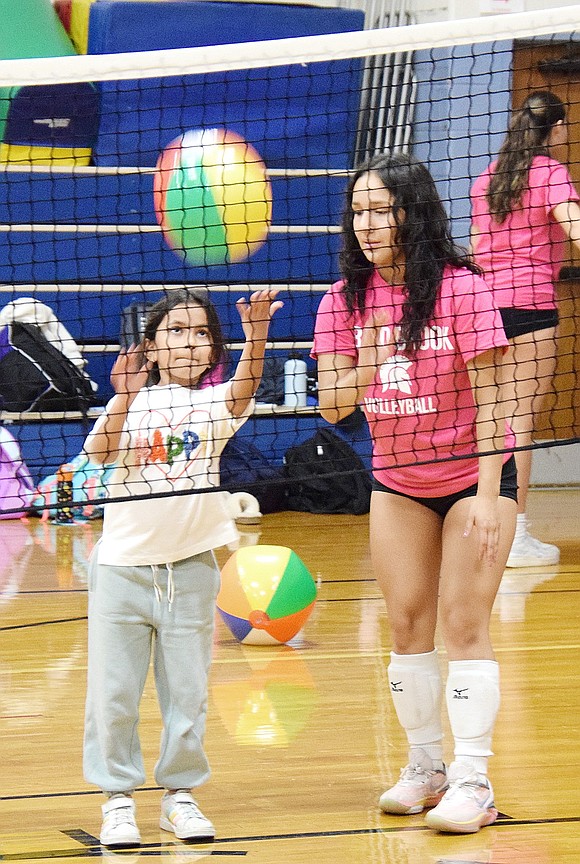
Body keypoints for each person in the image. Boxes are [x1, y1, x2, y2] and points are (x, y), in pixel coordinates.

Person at [312, 152, 518, 834]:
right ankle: (426, 766)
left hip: (471, 476)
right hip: (399, 480)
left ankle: (474, 781)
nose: (367, 224)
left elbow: (496, 401)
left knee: (463, 622)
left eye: (382, 209)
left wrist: (489, 497)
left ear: (413, 212)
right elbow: (333, 408)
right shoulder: (343, 300)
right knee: (406, 623)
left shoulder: (462, 291)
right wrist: (366, 358)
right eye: (359, 211)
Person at [83, 286, 282, 848]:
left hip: (191, 572)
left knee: (188, 695)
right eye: (176, 331)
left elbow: (244, 390)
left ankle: (180, 798)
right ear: (150, 344)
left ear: (214, 349)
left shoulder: (213, 404)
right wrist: (123, 396)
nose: (190, 343)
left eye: (201, 334)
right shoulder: (132, 402)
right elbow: (99, 454)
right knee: (114, 695)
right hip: (121, 573)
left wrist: (259, 334)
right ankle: (117, 799)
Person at [471, 90, 580, 568]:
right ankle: (514, 535)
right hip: (532, 310)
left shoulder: (487, 179)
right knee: (519, 425)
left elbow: (475, 252)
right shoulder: (552, 174)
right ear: (555, 130)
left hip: (484, 311)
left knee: (488, 423)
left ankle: (482, 526)